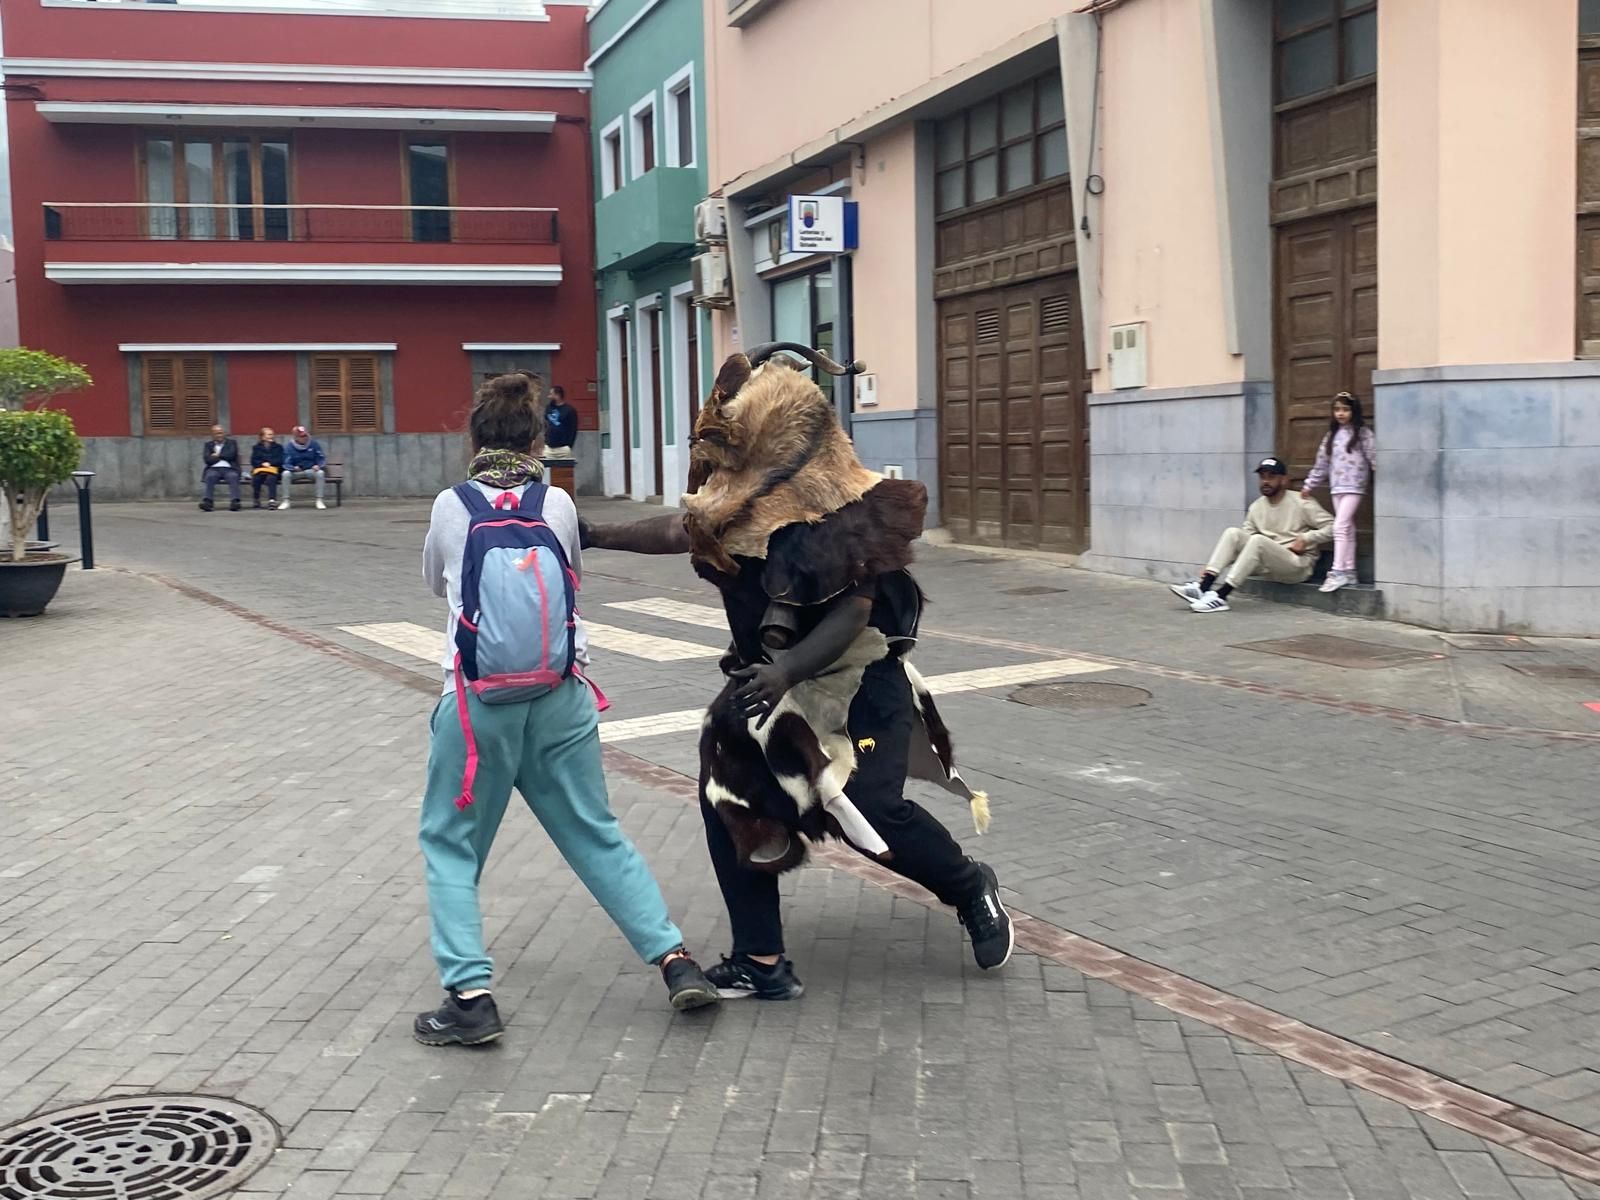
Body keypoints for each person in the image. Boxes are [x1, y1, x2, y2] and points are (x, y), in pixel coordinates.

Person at [581, 344, 1013, 1002]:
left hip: (857, 685)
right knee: (727, 798)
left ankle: (968, 886)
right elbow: (678, 532)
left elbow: (854, 611)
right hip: (769, 686)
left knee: (870, 809)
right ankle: (761, 959)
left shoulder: (838, 511)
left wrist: (787, 668)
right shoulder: (735, 506)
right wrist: (594, 535)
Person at [415, 372, 718, 1046]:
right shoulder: (555, 504)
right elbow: (572, 573)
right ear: (536, 440)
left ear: (473, 438)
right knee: (595, 831)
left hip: (478, 708)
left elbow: (437, 581)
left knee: (451, 844)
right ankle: (675, 961)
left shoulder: (450, 505)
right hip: (561, 700)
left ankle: (469, 997)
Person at [1171, 456, 1334, 614]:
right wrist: (1214, 566)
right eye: (1262, 477)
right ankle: (1203, 586)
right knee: (1233, 533)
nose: (1265, 481)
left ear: (1284, 480)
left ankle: (1221, 596)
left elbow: (1334, 527)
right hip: (1268, 567)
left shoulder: (1301, 502)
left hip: (1297, 566)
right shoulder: (1256, 507)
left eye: (1271, 477)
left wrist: (1307, 538)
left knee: (1258, 540)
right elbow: (1242, 543)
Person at [1300, 391, 1375, 593]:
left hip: (1355, 487)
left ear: (1354, 411)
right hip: (1337, 486)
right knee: (1347, 528)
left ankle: (1337, 571)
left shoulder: (1362, 434)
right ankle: (1350, 570)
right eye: (1337, 409)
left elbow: (1373, 456)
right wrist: (1309, 485)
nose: (1341, 414)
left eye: (1345, 409)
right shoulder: (1330, 437)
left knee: (1339, 526)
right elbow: (1321, 464)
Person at [279, 425, 327, 511]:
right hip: (296, 472)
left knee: (320, 473)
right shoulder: (289, 447)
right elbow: (286, 463)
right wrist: (293, 468)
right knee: (285, 474)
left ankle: (319, 500)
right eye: (301, 436)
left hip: (310, 470)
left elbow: (321, 458)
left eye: (305, 435)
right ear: (296, 437)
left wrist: (318, 466)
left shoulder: (313, 444)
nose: (304, 438)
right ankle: (286, 501)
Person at [199, 425, 241, 512]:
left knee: (233, 476)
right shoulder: (208, 445)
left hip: (229, 468)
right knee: (210, 476)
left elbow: (231, 455)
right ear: (213, 435)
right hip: (214, 468)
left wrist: (217, 455)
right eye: (216, 433)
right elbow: (207, 459)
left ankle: (235, 501)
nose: (219, 435)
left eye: (220, 433)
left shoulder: (232, 443)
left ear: (224, 433)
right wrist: (222, 456)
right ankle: (208, 502)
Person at [250, 427, 284, 510]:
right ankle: (256, 499)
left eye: (272, 434)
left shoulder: (278, 447)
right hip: (260, 469)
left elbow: (280, 459)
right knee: (256, 478)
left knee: (271, 478)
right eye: (269, 434)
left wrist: (270, 463)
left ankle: (272, 500)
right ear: (262, 437)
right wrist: (262, 463)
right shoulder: (256, 447)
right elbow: (253, 460)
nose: (271, 436)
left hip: (274, 470)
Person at [543, 385, 579, 462]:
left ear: (558, 395)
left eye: (551, 394)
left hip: (563, 448)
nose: (549, 396)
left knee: (563, 471)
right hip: (549, 448)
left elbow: (573, 429)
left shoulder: (569, 410)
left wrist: (569, 446)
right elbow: (545, 423)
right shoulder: (548, 408)